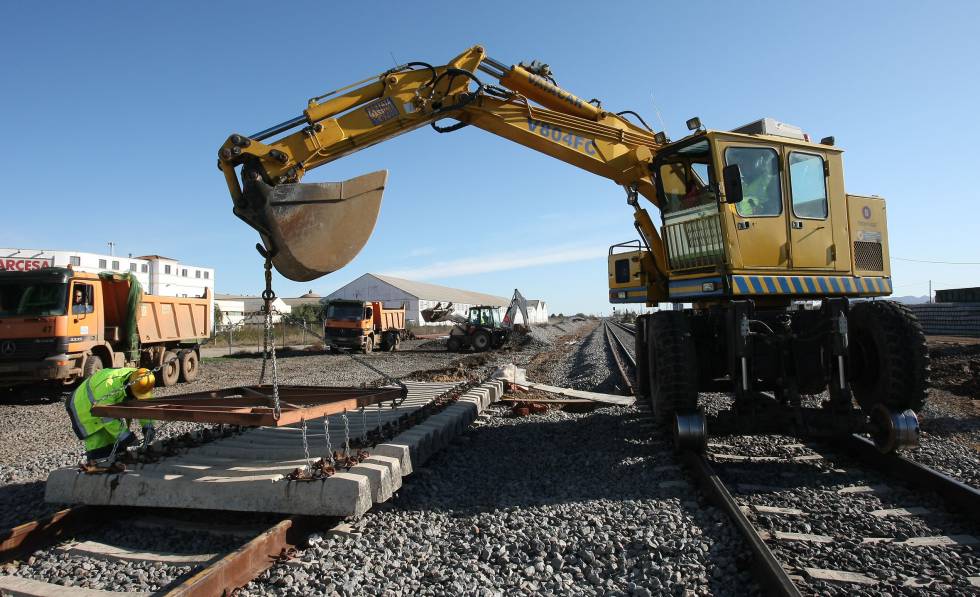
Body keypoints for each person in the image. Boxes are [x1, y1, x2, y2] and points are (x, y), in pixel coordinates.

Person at [66, 367, 156, 462]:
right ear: (130, 386)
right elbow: (107, 416)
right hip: (82, 407)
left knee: (117, 446)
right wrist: (126, 437)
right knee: (100, 449)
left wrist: (148, 426)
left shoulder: (141, 380)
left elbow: (144, 405)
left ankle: (115, 467)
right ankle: (97, 471)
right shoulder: (109, 386)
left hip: (101, 405)